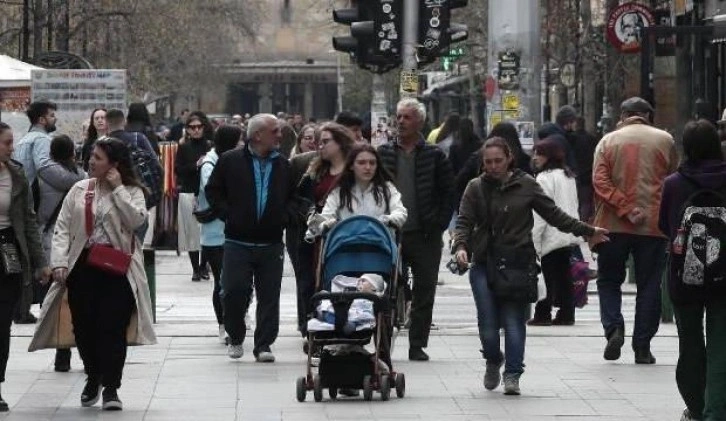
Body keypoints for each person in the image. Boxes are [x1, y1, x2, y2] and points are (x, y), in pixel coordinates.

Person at [452, 137, 608, 395]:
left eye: (498, 161)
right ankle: (493, 358)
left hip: (517, 262)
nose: (493, 166)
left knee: (514, 321)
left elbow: (554, 214)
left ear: (509, 158)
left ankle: (513, 373)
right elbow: (464, 223)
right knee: (488, 324)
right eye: (488, 162)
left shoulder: (526, 184)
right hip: (484, 262)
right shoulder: (475, 188)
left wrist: (588, 231)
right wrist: (460, 247)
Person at [30, 138, 156, 411]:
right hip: (83, 267)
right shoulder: (79, 189)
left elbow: (136, 221)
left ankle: (112, 388)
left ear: (114, 165)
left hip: (117, 267)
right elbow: (63, 227)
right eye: (91, 157)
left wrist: (118, 188)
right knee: (84, 328)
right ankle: (93, 375)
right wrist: (60, 262)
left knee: (112, 329)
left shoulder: (132, 191)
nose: (91, 162)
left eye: (98, 158)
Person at [593, 96, 678, 364]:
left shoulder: (608, 141)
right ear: (648, 116)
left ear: (623, 115)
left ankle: (614, 327)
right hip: (654, 225)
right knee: (650, 284)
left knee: (608, 280)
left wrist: (624, 207)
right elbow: (674, 177)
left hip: (613, 225)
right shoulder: (665, 140)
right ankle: (642, 346)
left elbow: (599, 181)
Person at [205, 113, 296, 363]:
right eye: (275, 131)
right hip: (237, 241)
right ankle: (235, 335)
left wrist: (284, 216)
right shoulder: (230, 160)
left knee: (269, 295)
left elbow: (295, 197)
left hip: (271, 242)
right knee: (233, 291)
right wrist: (229, 214)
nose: (280, 135)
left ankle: (264, 344)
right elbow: (213, 190)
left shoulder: (284, 165)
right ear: (258, 135)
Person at [658, 120, 726, 421]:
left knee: (690, 342)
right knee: (720, 344)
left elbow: (665, 227)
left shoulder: (673, 183)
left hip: (684, 276)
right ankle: (716, 410)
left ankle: (696, 406)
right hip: (724, 275)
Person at [378, 98, 454, 362]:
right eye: (398, 117)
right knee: (385, 289)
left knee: (425, 291)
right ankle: (383, 344)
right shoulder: (384, 153)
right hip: (391, 234)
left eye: (406, 117)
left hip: (425, 234)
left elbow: (448, 193)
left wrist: (439, 224)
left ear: (420, 122)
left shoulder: (434, 155)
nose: (400, 122)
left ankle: (417, 343)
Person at [0, 122, 50, 412]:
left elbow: (29, 222)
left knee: (2, 322)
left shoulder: (17, 175)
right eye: (7, 143)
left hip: (7, 248)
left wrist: (40, 262)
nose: (12, 147)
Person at [295, 123, 355, 342]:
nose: (320, 146)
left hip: (346, 236)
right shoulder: (314, 170)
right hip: (317, 237)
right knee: (311, 281)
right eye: (318, 141)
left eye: (325, 141)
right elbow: (300, 200)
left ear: (340, 142)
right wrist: (310, 214)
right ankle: (313, 326)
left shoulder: (355, 169)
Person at [36, 134, 87, 372]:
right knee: (80, 300)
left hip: (48, 240)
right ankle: (87, 353)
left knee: (56, 299)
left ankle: (61, 355)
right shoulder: (83, 181)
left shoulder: (40, 178)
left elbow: (34, 210)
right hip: (76, 243)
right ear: (72, 154)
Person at [11, 101, 62, 324]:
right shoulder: (42, 140)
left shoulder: (23, 140)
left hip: (21, 204)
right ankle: (28, 308)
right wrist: (71, 180)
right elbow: (44, 167)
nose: (55, 119)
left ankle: (20, 309)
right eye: (52, 115)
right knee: (36, 257)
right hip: (34, 206)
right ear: (42, 119)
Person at [197, 125, 241, 344]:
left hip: (235, 231)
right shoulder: (209, 163)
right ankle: (223, 323)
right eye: (239, 141)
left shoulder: (234, 159)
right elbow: (212, 190)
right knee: (222, 281)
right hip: (215, 232)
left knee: (237, 281)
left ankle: (237, 317)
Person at [528, 139, 580, 326]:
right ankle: (567, 312)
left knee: (546, 276)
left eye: (539, 154)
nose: (535, 158)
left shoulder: (544, 178)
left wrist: (534, 237)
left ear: (548, 156)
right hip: (566, 233)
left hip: (550, 234)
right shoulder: (568, 176)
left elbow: (541, 211)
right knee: (564, 275)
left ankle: (543, 313)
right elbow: (574, 204)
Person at [175, 111, 213, 281]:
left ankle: (204, 265)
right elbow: (178, 170)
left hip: (207, 193)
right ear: (188, 130)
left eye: (199, 127)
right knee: (191, 233)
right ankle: (195, 268)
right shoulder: (183, 148)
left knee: (207, 231)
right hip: (188, 191)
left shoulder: (210, 146)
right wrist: (195, 165)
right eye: (192, 127)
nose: (196, 130)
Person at [538, 105, 579, 172]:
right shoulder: (560, 140)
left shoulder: (553, 135)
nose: (576, 124)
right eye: (574, 121)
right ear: (568, 122)